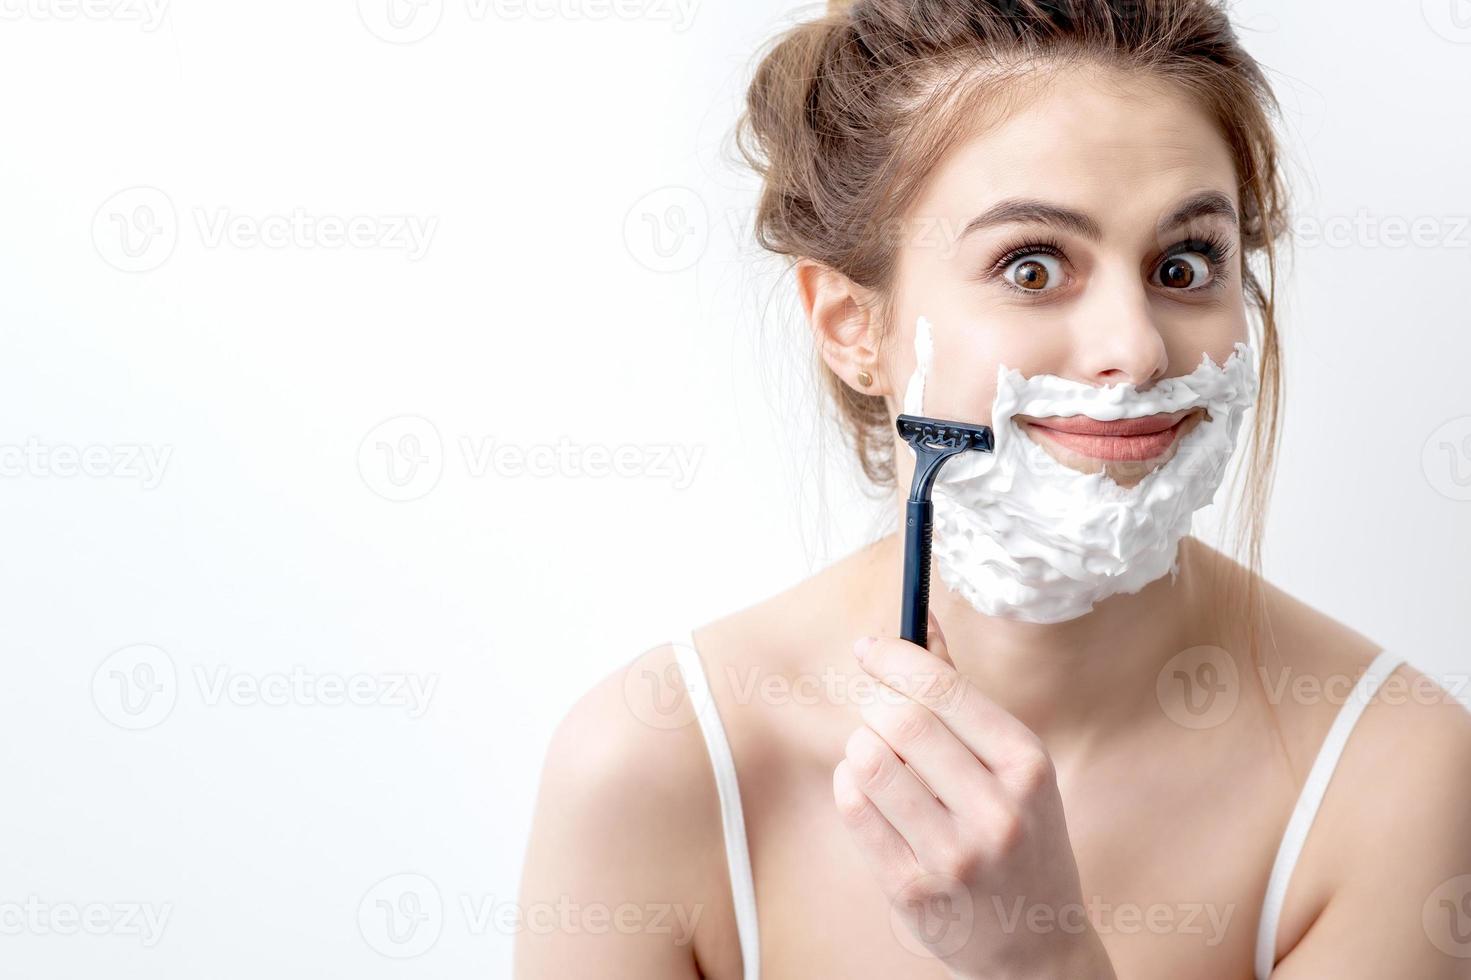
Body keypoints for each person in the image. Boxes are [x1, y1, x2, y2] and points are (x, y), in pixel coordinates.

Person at [516, 1, 1471, 977]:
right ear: (851, 325)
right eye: (1031, 265)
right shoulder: (654, 764)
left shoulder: (1393, 771)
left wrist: (1043, 956)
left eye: (1183, 263)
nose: (1134, 348)